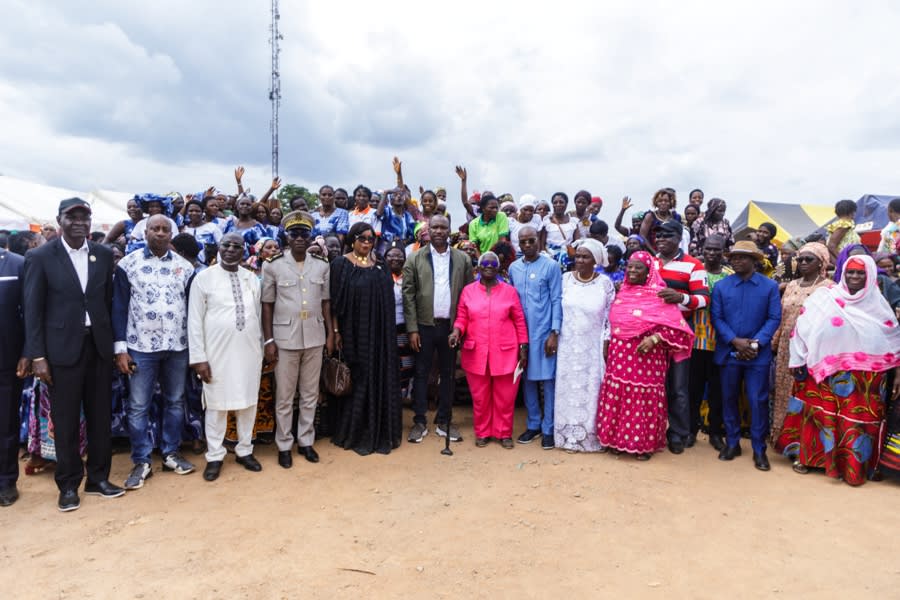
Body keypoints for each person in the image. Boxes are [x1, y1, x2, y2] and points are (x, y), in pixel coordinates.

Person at [23, 198, 124, 511]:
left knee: (100, 418)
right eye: (72, 217)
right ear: (59, 220)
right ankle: (68, 485)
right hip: (61, 351)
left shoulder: (102, 254)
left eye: (85, 217)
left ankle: (98, 479)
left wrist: (114, 346)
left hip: (98, 347)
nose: (79, 222)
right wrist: (37, 355)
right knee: (65, 421)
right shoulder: (40, 256)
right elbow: (32, 309)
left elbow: (107, 301)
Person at [780, 255, 900, 485]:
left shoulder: (879, 307)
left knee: (857, 421)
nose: (854, 276)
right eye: (850, 272)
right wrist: (798, 358)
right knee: (819, 415)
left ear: (870, 275)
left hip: (865, 377)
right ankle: (811, 459)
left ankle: (853, 467)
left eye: (860, 273)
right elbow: (802, 328)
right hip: (825, 371)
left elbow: (894, 342)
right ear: (843, 273)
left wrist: (897, 375)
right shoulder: (825, 298)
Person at [112, 214, 196, 489]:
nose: (160, 233)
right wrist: (120, 349)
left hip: (177, 345)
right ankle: (141, 460)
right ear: (145, 232)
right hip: (140, 346)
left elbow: (193, 309)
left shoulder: (185, 267)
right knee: (138, 405)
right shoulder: (128, 264)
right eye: (155, 229)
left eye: (165, 229)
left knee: (175, 401)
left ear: (171, 234)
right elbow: (119, 307)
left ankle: (171, 453)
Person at [597, 251, 695, 460]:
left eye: (638, 267)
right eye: (630, 266)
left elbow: (678, 329)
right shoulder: (621, 291)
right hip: (620, 354)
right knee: (619, 394)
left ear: (649, 271)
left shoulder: (660, 294)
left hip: (648, 357)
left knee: (643, 398)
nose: (632, 271)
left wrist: (655, 339)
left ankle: (642, 444)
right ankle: (617, 440)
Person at [188, 233, 265, 481]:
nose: (231, 249)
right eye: (227, 245)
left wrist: (263, 348)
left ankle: (245, 450)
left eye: (237, 246)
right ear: (219, 248)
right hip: (215, 353)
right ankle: (215, 456)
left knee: (248, 402)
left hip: (249, 351)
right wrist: (199, 358)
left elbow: (258, 316)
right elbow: (194, 321)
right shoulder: (203, 278)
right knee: (216, 404)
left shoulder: (251, 278)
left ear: (244, 250)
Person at [261, 211, 334, 469]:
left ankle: (305, 441)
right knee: (285, 395)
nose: (300, 238)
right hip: (285, 339)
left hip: (314, 335)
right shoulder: (273, 265)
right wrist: (268, 340)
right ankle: (284, 444)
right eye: (295, 234)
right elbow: (267, 305)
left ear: (311, 236)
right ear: (287, 237)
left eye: (304, 233)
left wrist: (330, 333)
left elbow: (326, 302)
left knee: (310, 393)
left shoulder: (322, 264)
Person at [330, 223, 402, 454]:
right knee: (356, 378)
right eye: (362, 238)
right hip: (352, 333)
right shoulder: (340, 264)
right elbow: (334, 303)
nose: (367, 243)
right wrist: (336, 332)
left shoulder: (380, 266)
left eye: (371, 239)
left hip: (379, 335)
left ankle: (377, 428)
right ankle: (354, 430)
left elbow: (387, 303)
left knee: (376, 376)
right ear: (352, 239)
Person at [711, 241, 782, 471]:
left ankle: (759, 449)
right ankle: (732, 443)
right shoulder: (721, 286)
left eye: (742, 257)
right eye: (733, 257)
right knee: (729, 397)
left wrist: (754, 343)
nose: (736, 261)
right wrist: (735, 341)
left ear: (754, 261)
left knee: (757, 400)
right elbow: (717, 318)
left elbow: (774, 317)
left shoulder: (769, 286)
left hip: (757, 354)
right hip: (729, 351)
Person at [403, 215, 474, 443]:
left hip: (451, 327)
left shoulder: (462, 259)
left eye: (443, 227)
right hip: (424, 326)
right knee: (421, 373)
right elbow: (408, 295)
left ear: (449, 230)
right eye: (435, 227)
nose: (439, 231)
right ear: (428, 230)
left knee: (448, 374)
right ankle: (420, 421)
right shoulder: (415, 258)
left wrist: (461, 327)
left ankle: (445, 420)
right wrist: (412, 329)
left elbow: (468, 295)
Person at [449, 252, 528, 448]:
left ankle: (503, 433)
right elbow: (462, 317)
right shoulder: (468, 291)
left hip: (506, 352)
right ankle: (483, 432)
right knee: (480, 397)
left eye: (493, 263)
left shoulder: (509, 292)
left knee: (505, 397)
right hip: (476, 352)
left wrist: (523, 346)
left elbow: (519, 321)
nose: (489, 266)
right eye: (485, 263)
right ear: (478, 267)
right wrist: (456, 332)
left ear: (499, 268)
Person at [553, 240, 615, 452]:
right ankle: (567, 437)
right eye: (577, 256)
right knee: (567, 390)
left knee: (591, 390)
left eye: (585, 257)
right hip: (567, 345)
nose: (579, 260)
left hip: (592, 345)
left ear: (595, 260)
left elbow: (610, 316)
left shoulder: (605, 283)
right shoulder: (565, 280)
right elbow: (557, 309)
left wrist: (606, 341)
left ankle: (589, 438)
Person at [654, 220, 709, 453]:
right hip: (651, 332)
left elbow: (704, 299)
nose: (661, 239)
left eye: (667, 235)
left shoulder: (693, 265)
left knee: (678, 386)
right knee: (653, 385)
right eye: (658, 236)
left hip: (679, 330)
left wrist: (681, 298)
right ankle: (652, 430)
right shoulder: (651, 262)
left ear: (679, 238)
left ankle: (677, 433)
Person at [770, 242, 833, 446]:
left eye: (809, 259)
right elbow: (782, 316)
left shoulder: (829, 288)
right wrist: (775, 343)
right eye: (800, 259)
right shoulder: (791, 285)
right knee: (782, 392)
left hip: (810, 349)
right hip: (786, 348)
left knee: (804, 393)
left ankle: (801, 442)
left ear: (821, 262)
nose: (803, 262)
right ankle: (781, 438)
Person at [509, 226, 562, 449]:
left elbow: (556, 299)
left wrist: (554, 332)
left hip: (544, 332)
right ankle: (533, 424)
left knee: (548, 380)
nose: (528, 245)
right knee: (527, 378)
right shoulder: (514, 268)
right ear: (519, 244)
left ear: (538, 241)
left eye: (531, 241)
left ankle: (549, 428)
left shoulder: (551, 266)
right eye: (523, 242)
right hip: (521, 333)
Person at [687, 234, 733, 451]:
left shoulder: (730, 276)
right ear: (702, 249)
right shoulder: (694, 272)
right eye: (709, 249)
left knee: (718, 391)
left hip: (720, 342)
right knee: (693, 390)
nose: (712, 253)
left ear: (724, 252)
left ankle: (715, 432)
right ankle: (690, 431)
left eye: (717, 249)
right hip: (694, 340)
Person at [0, 245, 26, 506]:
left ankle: (5, 481)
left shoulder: (16, 264)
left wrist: (28, 352)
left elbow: (30, 312)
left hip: (6, 360)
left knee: (5, 423)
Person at [385, 246, 414, 401]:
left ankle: (402, 395)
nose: (395, 259)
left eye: (399, 256)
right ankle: (388, 395)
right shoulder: (380, 276)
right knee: (388, 361)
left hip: (404, 326)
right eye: (391, 255)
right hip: (385, 327)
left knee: (405, 362)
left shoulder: (409, 277)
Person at [541, 192, 578, 267]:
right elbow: (541, 242)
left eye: (561, 202)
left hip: (568, 258)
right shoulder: (547, 220)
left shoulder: (573, 222)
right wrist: (545, 255)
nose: (558, 205)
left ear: (566, 204)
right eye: (555, 202)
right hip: (549, 258)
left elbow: (577, 242)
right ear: (552, 205)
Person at [639, 189, 682, 254]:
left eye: (666, 201)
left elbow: (679, 236)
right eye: (660, 201)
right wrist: (654, 253)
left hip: (671, 252)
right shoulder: (650, 216)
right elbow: (642, 236)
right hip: (653, 252)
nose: (663, 203)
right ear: (656, 203)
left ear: (671, 203)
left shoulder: (675, 217)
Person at [182, 199, 223, 264]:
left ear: (203, 212)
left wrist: (216, 262)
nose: (194, 213)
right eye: (191, 211)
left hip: (211, 265)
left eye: (197, 211)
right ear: (187, 212)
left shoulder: (212, 227)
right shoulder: (184, 230)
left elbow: (222, 246)